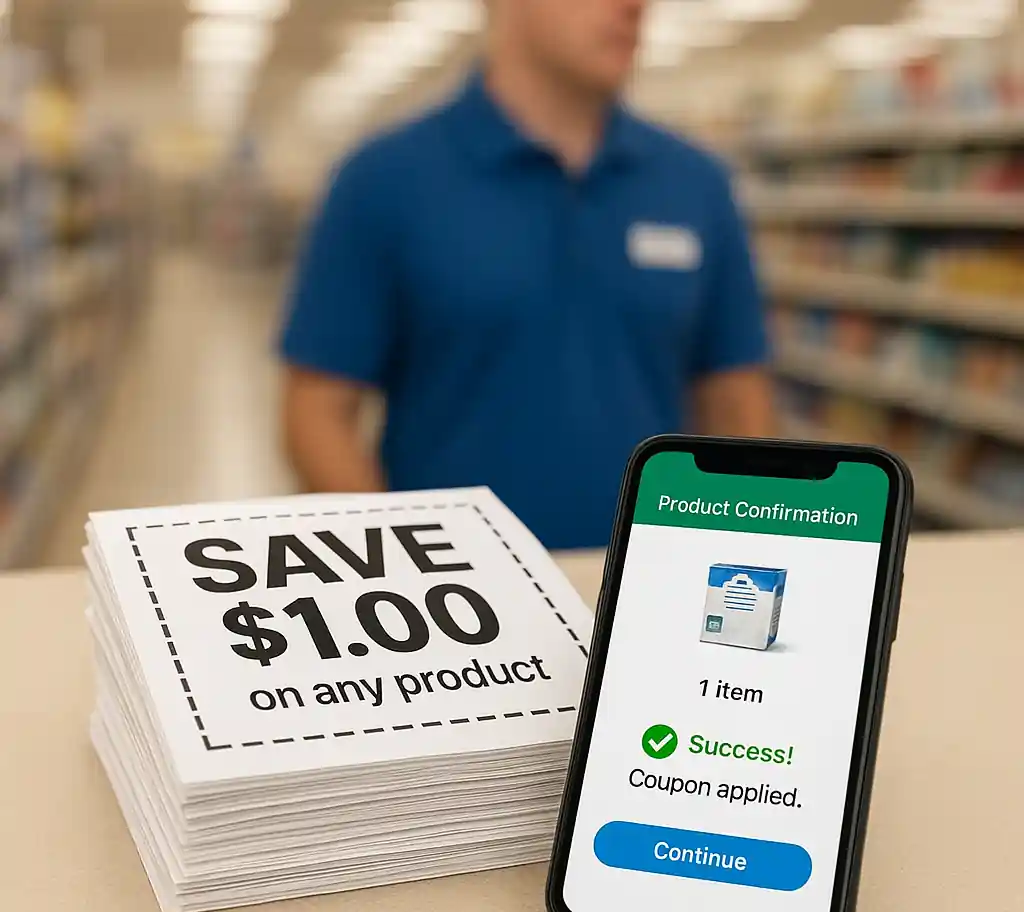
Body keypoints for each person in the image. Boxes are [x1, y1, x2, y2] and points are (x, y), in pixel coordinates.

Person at [279, 0, 774, 551]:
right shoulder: (382, 180)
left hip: (647, 593)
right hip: (459, 608)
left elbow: (734, 397)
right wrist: (398, 568)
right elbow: (318, 414)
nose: (636, 7)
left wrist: (732, 553)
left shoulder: (696, 184)